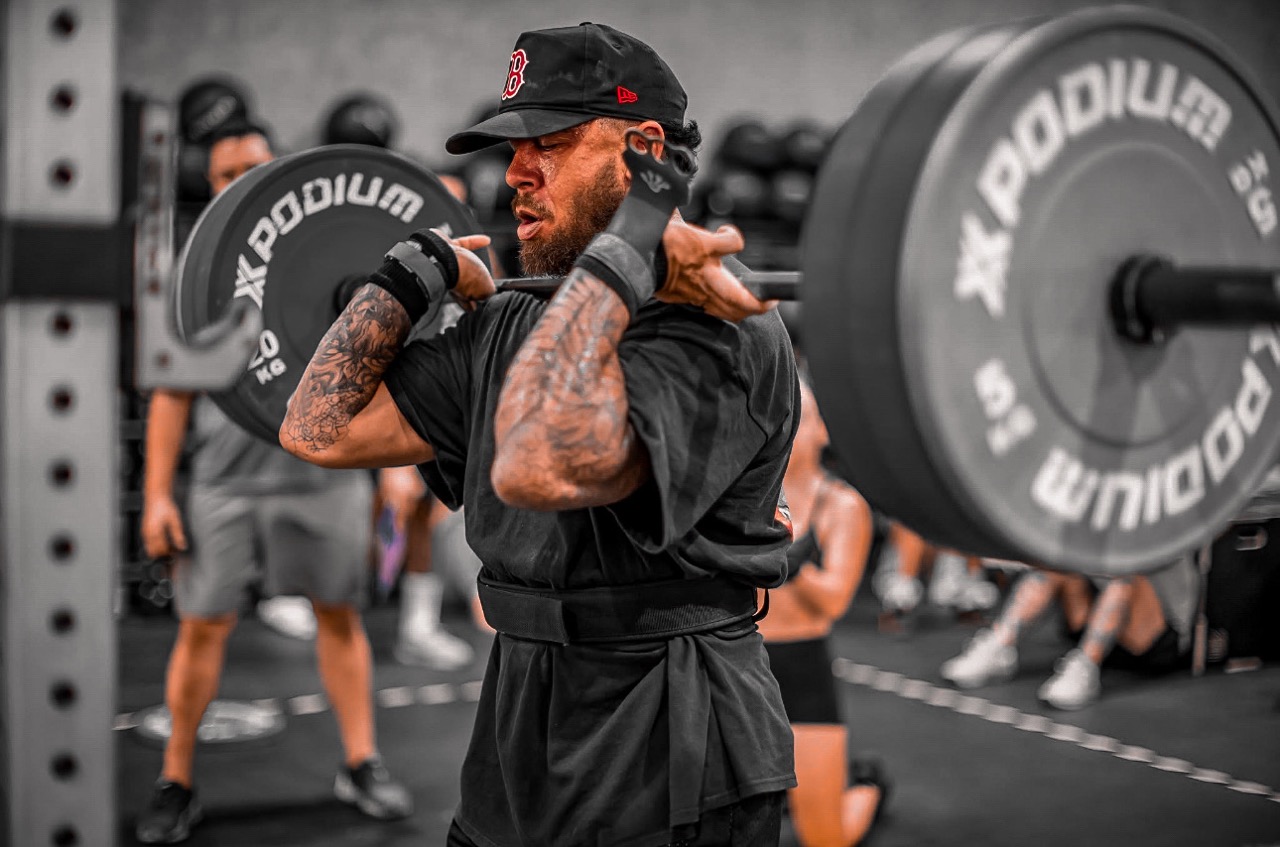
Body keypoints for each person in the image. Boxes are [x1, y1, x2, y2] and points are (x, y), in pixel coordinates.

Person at [279, 22, 797, 847]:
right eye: (513, 148)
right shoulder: (513, 315)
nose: (514, 172)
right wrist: (403, 284)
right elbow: (316, 429)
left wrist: (628, 252)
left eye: (548, 145)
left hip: (669, 742)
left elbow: (535, 466)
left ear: (646, 151)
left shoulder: (715, 326)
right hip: (517, 721)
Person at [135, 119, 411, 844]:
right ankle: (177, 777)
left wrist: (392, 472)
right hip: (224, 485)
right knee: (201, 628)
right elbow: (170, 393)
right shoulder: (197, 276)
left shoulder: (325, 260)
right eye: (226, 174)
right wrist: (158, 493)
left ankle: (361, 761)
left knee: (339, 616)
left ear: (277, 170)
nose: (240, 183)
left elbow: (376, 366)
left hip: (322, 478)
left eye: (254, 167)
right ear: (211, 184)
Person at [757, 376, 889, 846]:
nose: (788, 428)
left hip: (802, 669)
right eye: (780, 417)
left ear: (823, 432)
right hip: (740, 665)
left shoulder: (843, 506)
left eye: (801, 417)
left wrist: (788, 562)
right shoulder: (739, 497)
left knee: (823, 839)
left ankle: (868, 788)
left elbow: (834, 601)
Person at [940, 557, 1199, 709]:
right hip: (1101, 622)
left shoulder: (1161, 509)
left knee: (1123, 570)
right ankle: (999, 645)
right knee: (1055, 562)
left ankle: (1086, 665)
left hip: (1155, 638)